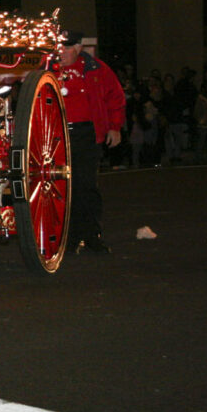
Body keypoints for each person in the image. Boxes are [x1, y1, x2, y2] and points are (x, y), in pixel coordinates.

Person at [49, 30, 125, 253]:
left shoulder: (96, 68)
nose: (61, 52)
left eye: (66, 48)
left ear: (78, 48)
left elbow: (115, 97)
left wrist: (114, 127)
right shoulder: (48, 70)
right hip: (57, 135)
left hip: (87, 133)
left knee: (86, 186)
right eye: (58, 47)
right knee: (62, 187)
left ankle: (92, 234)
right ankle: (68, 238)